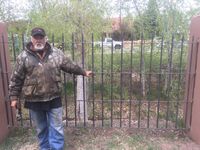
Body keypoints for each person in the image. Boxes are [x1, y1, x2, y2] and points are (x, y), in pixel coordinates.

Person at [9, 27, 93, 150]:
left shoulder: (56, 53)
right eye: (36, 37)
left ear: (45, 38)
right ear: (31, 39)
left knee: (57, 128)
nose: (38, 40)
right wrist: (13, 97)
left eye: (41, 37)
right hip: (34, 100)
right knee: (41, 129)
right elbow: (16, 78)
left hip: (54, 97)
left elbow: (69, 65)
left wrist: (83, 72)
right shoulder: (23, 57)